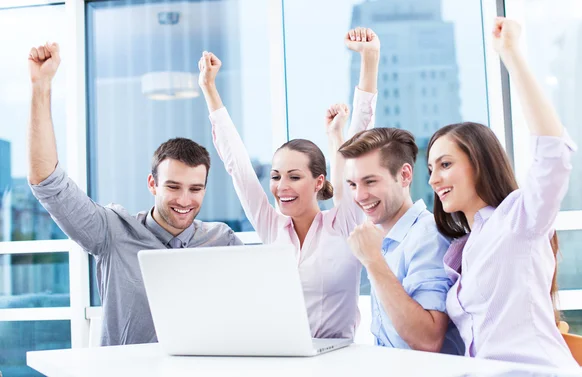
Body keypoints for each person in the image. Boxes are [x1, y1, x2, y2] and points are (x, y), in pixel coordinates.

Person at [27, 42, 241, 346]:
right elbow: (47, 181)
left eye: (195, 189)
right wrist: (41, 87)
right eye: (173, 186)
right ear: (152, 184)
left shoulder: (223, 240)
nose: (184, 200)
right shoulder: (112, 231)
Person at [197, 27, 380, 339]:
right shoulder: (271, 226)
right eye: (276, 176)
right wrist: (209, 89)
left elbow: (361, 140)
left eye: (295, 177)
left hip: (339, 360)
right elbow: (238, 168)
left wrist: (369, 59)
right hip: (283, 357)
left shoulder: (345, 222)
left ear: (318, 181)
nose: (282, 186)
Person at [426, 18, 577, 367]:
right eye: (431, 169)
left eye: (445, 164)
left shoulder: (518, 220)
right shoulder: (466, 245)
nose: (434, 179)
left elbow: (554, 153)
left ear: (478, 163)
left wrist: (512, 55)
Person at [337, 126, 463, 354]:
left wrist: (373, 261)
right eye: (353, 185)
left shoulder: (427, 237)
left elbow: (427, 340)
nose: (359, 196)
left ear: (404, 175)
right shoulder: (385, 239)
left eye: (370, 182)